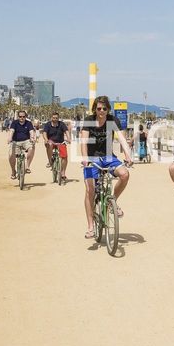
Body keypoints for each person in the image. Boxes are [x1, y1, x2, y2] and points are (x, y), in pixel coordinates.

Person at [80, 96, 133, 239]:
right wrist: (85, 159)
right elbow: (84, 142)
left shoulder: (112, 120)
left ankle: (112, 201)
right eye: (99, 108)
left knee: (124, 174)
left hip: (109, 157)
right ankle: (91, 227)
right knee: (90, 190)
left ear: (108, 109)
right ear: (94, 109)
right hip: (92, 159)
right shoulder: (89, 121)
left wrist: (128, 155)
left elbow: (122, 138)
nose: (101, 111)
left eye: (104, 108)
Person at [6, 110, 36, 179]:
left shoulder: (28, 123)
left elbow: (31, 131)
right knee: (11, 154)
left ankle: (27, 166)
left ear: (25, 117)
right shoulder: (14, 123)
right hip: (15, 141)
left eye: (23, 116)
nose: (22, 118)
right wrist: (10, 138)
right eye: (20, 116)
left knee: (32, 147)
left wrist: (32, 138)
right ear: (18, 117)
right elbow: (12, 131)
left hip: (26, 141)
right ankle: (13, 171)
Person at [42, 112, 71, 181]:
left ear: (58, 118)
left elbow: (66, 131)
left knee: (64, 157)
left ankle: (63, 173)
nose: (55, 119)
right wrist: (46, 140)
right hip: (51, 141)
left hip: (60, 142)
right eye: (53, 118)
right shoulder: (48, 124)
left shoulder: (61, 124)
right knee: (50, 144)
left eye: (56, 118)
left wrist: (69, 138)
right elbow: (44, 133)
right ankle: (50, 161)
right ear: (51, 118)